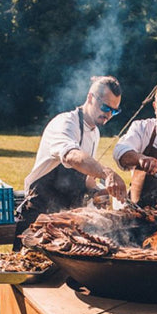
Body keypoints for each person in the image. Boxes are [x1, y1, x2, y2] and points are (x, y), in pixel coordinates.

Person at [14, 75, 128, 247]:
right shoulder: (65, 123)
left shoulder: (94, 132)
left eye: (114, 111)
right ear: (90, 97)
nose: (109, 114)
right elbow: (71, 156)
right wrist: (107, 172)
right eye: (105, 107)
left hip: (68, 219)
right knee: (32, 271)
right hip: (40, 215)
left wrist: (98, 192)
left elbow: (86, 176)